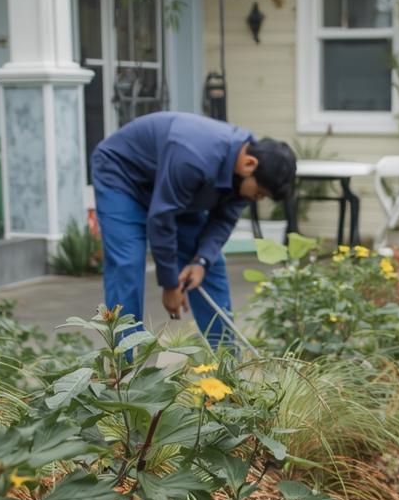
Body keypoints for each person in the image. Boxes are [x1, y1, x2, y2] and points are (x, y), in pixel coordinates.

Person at [90, 112, 295, 348]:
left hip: (175, 188)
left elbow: (224, 220)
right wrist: (169, 285)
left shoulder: (249, 167)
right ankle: (122, 373)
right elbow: (161, 218)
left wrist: (201, 261)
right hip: (123, 175)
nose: (257, 199)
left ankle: (226, 365)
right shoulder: (195, 156)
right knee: (127, 263)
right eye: (259, 193)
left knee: (210, 263)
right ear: (249, 164)